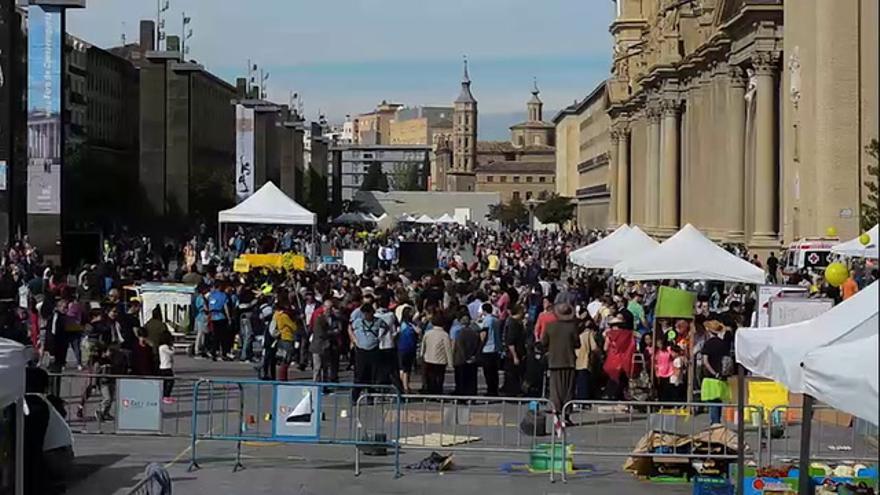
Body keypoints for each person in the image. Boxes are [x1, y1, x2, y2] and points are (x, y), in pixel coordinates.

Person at [541, 303, 580, 421]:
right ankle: (567, 415)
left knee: (556, 389)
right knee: (568, 389)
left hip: (554, 361)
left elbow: (543, 342)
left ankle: (556, 413)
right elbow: (577, 344)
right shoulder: (572, 327)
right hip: (569, 361)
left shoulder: (550, 326)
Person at [700, 320, 732, 425]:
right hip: (722, 376)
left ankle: (715, 423)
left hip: (711, 377)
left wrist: (713, 373)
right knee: (718, 401)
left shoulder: (708, 344)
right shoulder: (723, 344)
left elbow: (705, 361)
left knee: (712, 401)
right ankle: (717, 422)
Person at [350, 303, 384, 400]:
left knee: (372, 375)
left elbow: (386, 328)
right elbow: (350, 328)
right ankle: (355, 397)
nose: (366, 316)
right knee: (359, 375)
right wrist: (354, 339)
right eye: (364, 314)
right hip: (361, 351)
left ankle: (370, 397)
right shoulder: (358, 322)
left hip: (373, 350)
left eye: (368, 314)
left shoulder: (378, 321)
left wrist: (380, 338)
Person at [602, 314, 636, 400]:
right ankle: (622, 397)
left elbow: (605, 348)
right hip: (625, 360)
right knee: (623, 380)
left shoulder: (609, 335)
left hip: (612, 360)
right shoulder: (628, 334)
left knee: (612, 379)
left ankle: (612, 396)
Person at [421, 312, 453, 394]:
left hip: (428, 359)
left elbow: (423, 346)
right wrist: (450, 363)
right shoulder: (445, 335)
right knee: (439, 377)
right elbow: (448, 349)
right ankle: (438, 392)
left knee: (431, 377)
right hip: (440, 360)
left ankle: (431, 391)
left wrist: (422, 355)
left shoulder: (427, 333)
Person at [452, 310, 481, 396]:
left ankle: (462, 395)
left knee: (462, 379)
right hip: (473, 359)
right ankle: (472, 395)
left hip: (462, 360)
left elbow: (460, 347)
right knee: (472, 379)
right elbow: (478, 345)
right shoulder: (475, 333)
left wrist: (465, 357)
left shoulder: (461, 333)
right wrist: (474, 356)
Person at [310, 297, 339, 383]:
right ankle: (316, 385)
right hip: (318, 346)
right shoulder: (319, 319)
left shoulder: (335, 318)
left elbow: (339, 328)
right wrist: (333, 332)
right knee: (317, 367)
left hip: (328, 346)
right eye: (327, 307)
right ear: (323, 307)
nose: (329, 310)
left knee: (326, 368)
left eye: (330, 308)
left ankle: (325, 386)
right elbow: (320, 333)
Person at [478, 302, 502, 396]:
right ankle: (495, 389)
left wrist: (480, 346)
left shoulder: (487, 321)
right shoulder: (496, 320)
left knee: (488, 372)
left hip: (487, 348)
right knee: (494, 372)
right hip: (496, 348)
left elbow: (484, 334)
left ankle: (490, 390)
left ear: (484, 311)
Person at [502, 305, 527, 396]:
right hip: (513, 354)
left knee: (516, 374)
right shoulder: (513, 323)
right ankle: (511, 392)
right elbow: (510, 341)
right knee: (512, 375)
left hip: (518, 352)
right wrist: (515, 356)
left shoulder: (516, 322)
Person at [574, 318, 599, 402]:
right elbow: (594, 347)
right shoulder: (588, 333)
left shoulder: (573, 333)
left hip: (573, 360)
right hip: (584, 360)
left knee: (576, 382)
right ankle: (583, 401)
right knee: (584, 382)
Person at [397, 306, 420, 394]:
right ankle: (405, 388)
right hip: (405, 349)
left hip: (408, 349)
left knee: (406, 369)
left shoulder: (408, 324)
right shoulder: (405, 325)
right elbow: (418, 331)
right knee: (404, 369)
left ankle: (405, 385)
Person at [273, 299, 298, 381]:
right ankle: (283, 377)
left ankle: (281, 376)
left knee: (283, 357)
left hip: (281, 338)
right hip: (287, 337)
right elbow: (293, 327)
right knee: (287, 358)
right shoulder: (284, 316)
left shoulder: (276, 315)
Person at [207, 281, 233, 360]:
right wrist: (229, 318)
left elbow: (210, 306)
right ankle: (223, 353)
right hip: (221, 316)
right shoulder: (223, 295)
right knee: (223, 337)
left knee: (215, 336)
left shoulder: (212, 295)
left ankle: (213, 352)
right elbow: (225, 307)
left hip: (213, 317)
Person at [158, 331, 175, 404]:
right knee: (170, 381)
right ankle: (166, 395)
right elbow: (172, 352)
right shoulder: (164, 347)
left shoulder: (162, 347)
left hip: (164, 366)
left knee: (166, 382)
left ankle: (165, 395)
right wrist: (172, 347)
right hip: (166, 367)